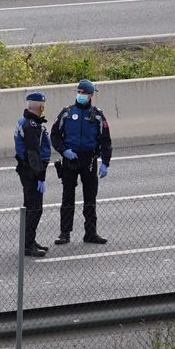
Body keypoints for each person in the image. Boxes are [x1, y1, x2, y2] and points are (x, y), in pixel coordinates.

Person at [50, 79, 112, 245]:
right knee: (67, 198)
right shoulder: (67, 113)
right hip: (71, 159)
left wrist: (105, 162)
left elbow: (105, 140)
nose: (81, 95)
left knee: (90, 199)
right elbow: (54, 135)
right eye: (79, 92)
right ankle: (64, 233)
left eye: (84, 93)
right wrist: (64, 151)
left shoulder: (97, 115)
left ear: (91, 95)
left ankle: (90, 233)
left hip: (89, 160)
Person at [14, 92, 52, 257]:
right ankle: (28, 245)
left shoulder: (25, 121)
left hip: (27, 169)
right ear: (41, 106)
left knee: (31, 208)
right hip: (31, 172)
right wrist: (40, 176)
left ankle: (30, 241)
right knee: (34, 209)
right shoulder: (31, 126)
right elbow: (33, 154)